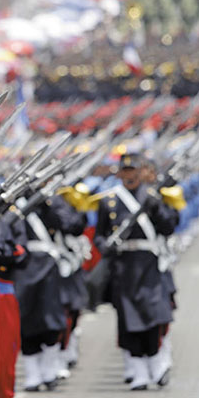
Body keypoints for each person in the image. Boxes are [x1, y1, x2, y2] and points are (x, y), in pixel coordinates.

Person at [95, 152, 180, 391]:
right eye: (125, 171)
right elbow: (99, 236)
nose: (129, 175)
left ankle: (155, 362)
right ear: (120, 173)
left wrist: (157, 210)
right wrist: (106, 247)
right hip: (124, 266)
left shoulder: (152, 197)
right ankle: (138, 369)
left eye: (133, 171)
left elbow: (168, 228)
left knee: (152, 317)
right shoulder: (109, 201)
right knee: (128, 318)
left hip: (149, 265)